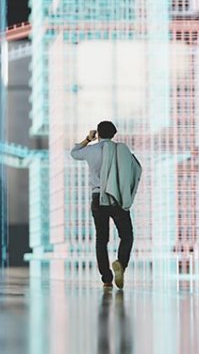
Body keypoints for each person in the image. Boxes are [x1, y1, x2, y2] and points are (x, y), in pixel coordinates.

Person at [70, 121, 141, 289]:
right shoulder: (121, 151)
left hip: (98, 199)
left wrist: (88, 139)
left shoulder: (91, 151)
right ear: (114, 134)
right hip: (117, 198)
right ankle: (121, 264)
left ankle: (107, 278)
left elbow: (74, 153)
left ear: (98, 135)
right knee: (127, 235)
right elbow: (133, 170)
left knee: (102, 239)